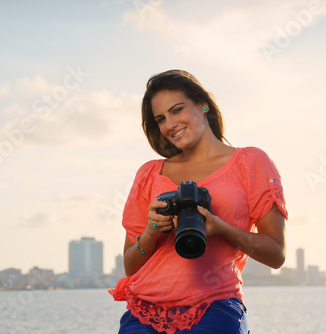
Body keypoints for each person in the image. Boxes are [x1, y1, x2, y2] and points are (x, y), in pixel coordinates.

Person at [109, 69, 288, 334]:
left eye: (177, 110)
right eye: (160, 118)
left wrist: (220, 228)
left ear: (203, 104)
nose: (170, 124)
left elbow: (276, 254)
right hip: (143, 314)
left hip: (214, 306)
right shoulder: (149, 173)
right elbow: (131, 265)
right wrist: (152, 230)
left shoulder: (250, 163)